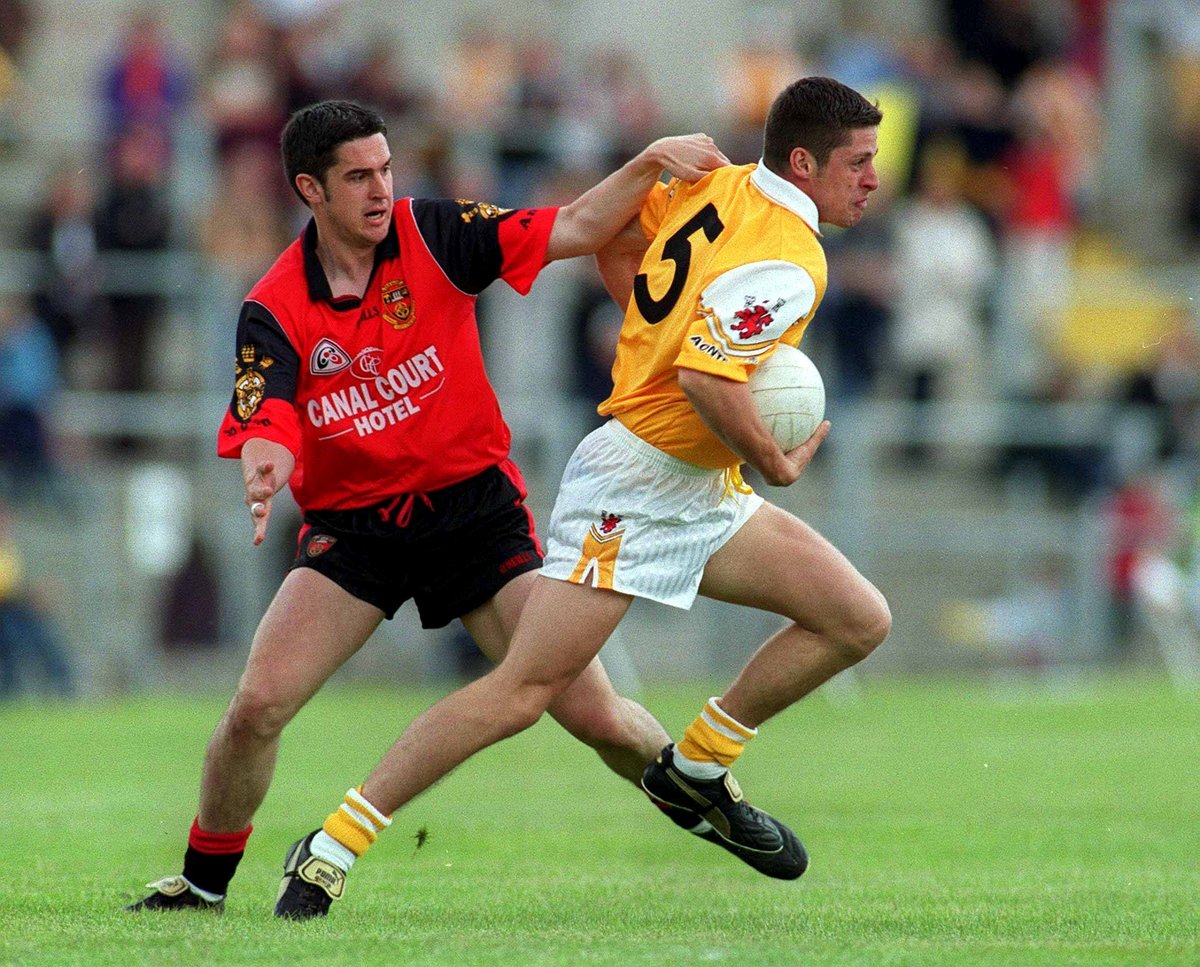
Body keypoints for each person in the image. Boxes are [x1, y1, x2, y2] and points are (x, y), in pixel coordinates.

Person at [278, 77, 892, 919]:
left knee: (857, 617)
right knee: (524, 692)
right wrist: (774, 461)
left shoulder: (717, 186)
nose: (872, 179)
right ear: (803, 161)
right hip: (636, 484)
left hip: (700, 481)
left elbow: (615, 247)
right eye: (858, 162)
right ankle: (332, 844)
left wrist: (650, 334)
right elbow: (707, 375)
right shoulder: (794, 257)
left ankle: (699, 766)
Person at [124, 99, 727, 915]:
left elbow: (581, 224)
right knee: (257, 705)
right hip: (356, 532)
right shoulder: (274, 305)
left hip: (474, 516)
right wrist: (265, 464)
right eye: (358, 177)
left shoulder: (438, 234)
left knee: (597, 715)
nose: (381, 189)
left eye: (386, 169)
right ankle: (202, 883)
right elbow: (264, 416)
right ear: (310, 188)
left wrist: (650, 158)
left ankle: (720, 804)